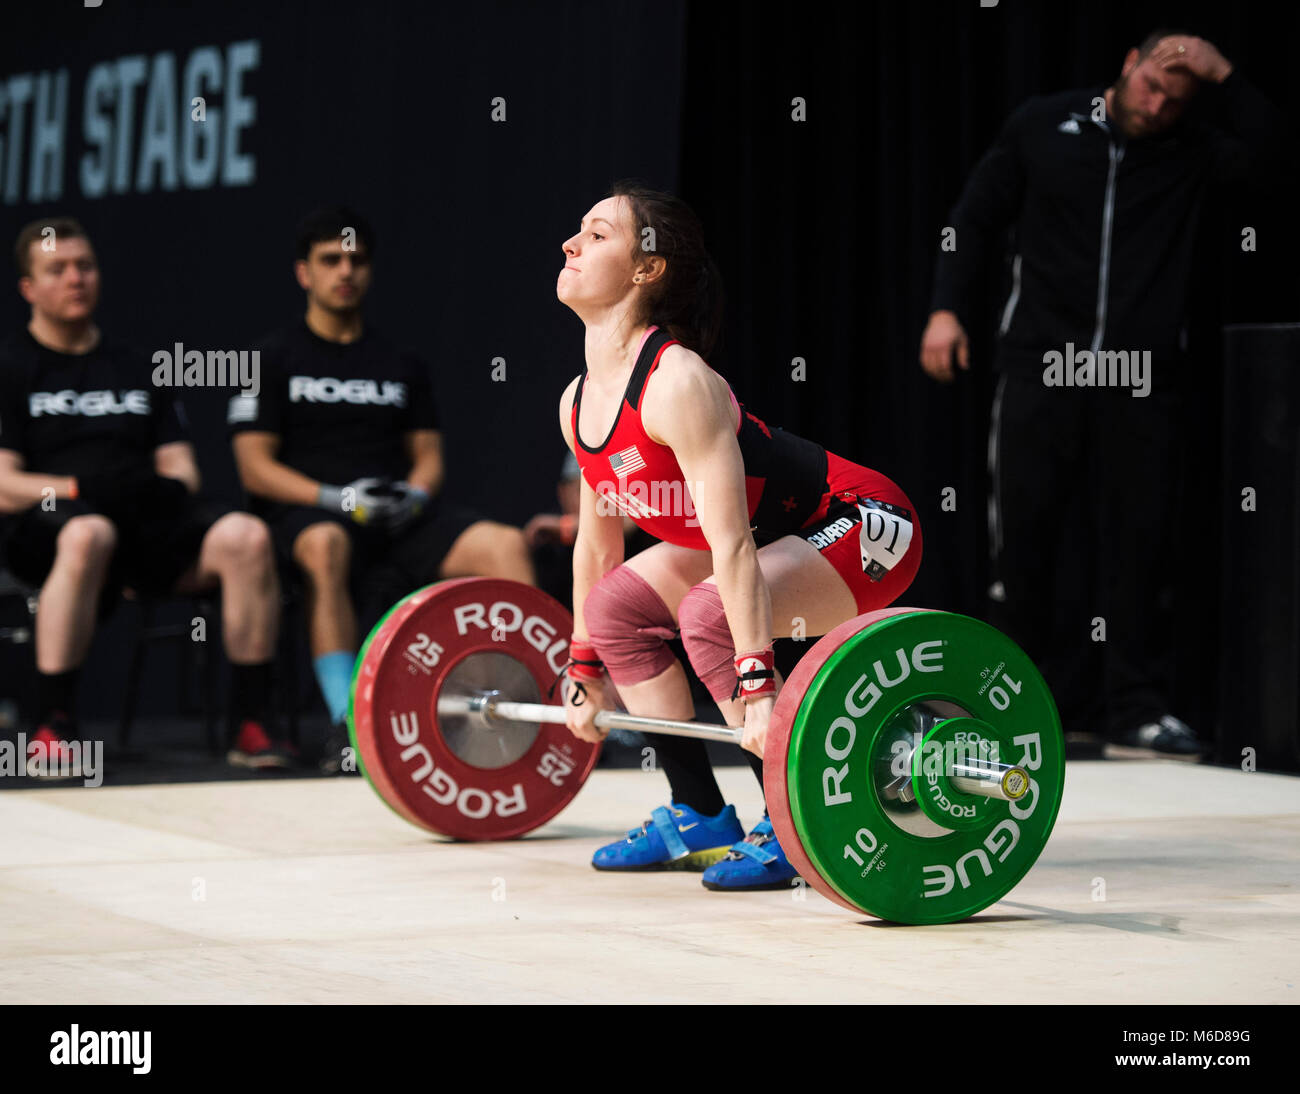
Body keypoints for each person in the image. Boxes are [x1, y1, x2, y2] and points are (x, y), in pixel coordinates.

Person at [919, 31, 1287, 755]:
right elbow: (973, 217)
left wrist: (1229, 74)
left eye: (1176, 99)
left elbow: (1276, 163)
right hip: (1042, 364)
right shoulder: (1044, 123)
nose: (1157, 106)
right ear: (1128, 64)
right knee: (1023, 542)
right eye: (1151, 86)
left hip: (1141, 374)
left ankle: (1136, 709)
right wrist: (944, 308)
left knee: (1141, 543)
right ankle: (1008, 700)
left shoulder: (1193, 150)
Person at [554, 182, 922, 890]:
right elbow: (595, 548)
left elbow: (729, 548)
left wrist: (757, 689)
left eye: (597, 235)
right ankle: (697, 813)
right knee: (615, 611)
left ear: (646, 269)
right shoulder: (577, 402)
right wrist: (583, 668)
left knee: (710, 613)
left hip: (867, 524)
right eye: (578, 230)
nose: (571, 244)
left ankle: (790, 822)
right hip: (769, 539)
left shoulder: (677, 383)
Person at [230, 208, 537, 775]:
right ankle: (351, 728)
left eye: (356, 260)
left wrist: (414, 497)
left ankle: (525, 712)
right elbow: (255, 468)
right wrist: (337, 499)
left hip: (397, 516)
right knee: (326, 546)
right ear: (304, 272)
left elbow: (428, 459)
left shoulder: (402, 362)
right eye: (330, 260)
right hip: (310, 516)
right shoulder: (269, 359)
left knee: (502, 545)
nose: (344, 270)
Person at [0, 218, 287, 774]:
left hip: (142, 530)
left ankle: (253, 722)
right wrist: (81, 489)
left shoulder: (136, 366)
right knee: (89, 531)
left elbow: (182, 470)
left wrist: (158, 491)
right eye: (57, 270)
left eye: (85, 266)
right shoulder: (11, 369)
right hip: (51, 528)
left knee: (246, 536)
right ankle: (49, 722)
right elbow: (4, 484)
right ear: (28, 289)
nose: (75, 279)